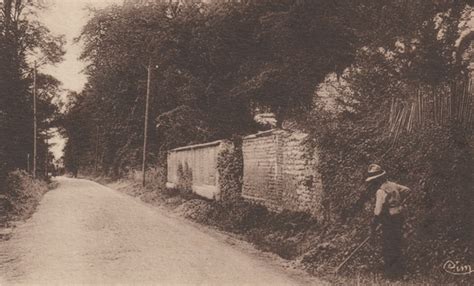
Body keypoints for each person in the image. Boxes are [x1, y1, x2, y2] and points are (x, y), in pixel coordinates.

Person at [366, 163, 410, 280]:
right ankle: (400, 273)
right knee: (397, 244)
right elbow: (407, 190)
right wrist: (399, 202)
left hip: (389, 220)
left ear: (378, 179)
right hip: (399, 218)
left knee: (388, 246)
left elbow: (378, 211)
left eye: (374, 180)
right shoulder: (393, 185)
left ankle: (391, 275)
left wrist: (374, 225)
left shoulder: (380, 191)